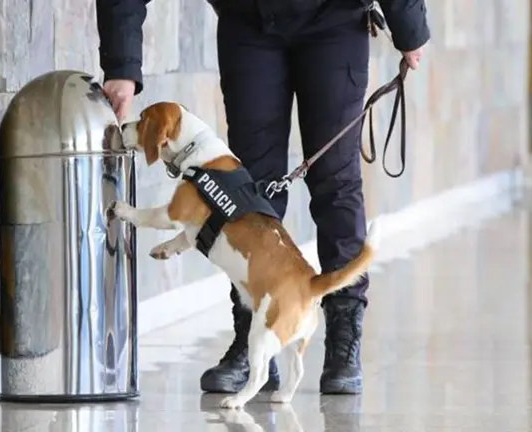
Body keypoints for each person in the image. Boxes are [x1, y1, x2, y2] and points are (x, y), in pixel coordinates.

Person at [96, 0, 429, 395]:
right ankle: (252, 335)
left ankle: (344, 338)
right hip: (248, 24)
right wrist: (121, 64)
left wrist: (408, 25)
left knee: (335, 182)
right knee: (244, 190)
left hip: (334, 21)